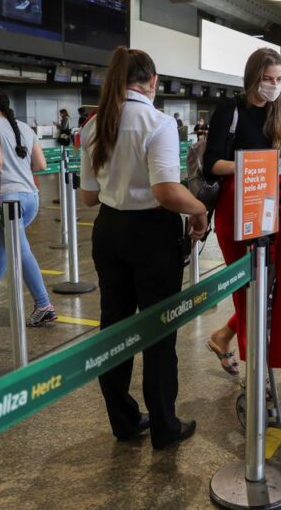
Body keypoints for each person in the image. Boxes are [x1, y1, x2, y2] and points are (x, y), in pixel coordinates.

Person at [79, 46, 208, 450]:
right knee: (158, 332)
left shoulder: (94, 125)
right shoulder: (158, 122)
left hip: (109, 232)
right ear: (152, 82)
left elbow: (88, 197)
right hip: (152, 236)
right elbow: (167, 192)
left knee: (114, 328)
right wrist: (200, 208)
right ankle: (165, 428)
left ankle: (125, 420)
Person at [204, 47, 281, 376]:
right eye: (267, 79)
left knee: (272, 281)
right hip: (238, 206)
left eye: (278, 79)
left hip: (269, 203)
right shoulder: (229, 109)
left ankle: (225, 335)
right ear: (252, 77)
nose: (273, 85)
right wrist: (252, 167)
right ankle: (257, 372)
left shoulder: (278, 111)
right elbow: (211, 164)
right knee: (249, 288)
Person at [0, 87, 57, 327]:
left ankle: (43, 305)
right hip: (30, 198)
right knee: (0, 246)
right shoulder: (25, 128)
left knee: (20, 251)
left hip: (5, 200)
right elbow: (40, 164)